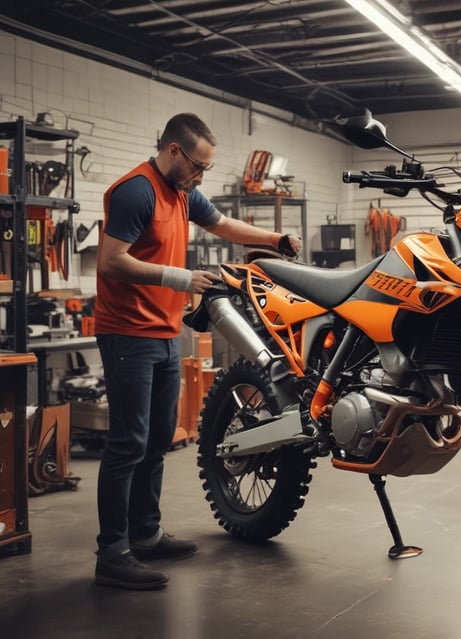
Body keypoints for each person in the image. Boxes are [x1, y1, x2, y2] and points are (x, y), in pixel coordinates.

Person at [93, 113, 302, 590]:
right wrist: (179, 279)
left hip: (165, 331)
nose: (201, 177)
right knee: (128, 442)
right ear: (173, 152)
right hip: (128, 332)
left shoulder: (182, 190)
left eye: (205, 169)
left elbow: (224, 223)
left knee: (158, 438)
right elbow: (110, 261)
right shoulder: (135, 191)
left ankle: (145, 534)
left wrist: (274, 240)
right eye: (198, 167)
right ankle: (112, 552)